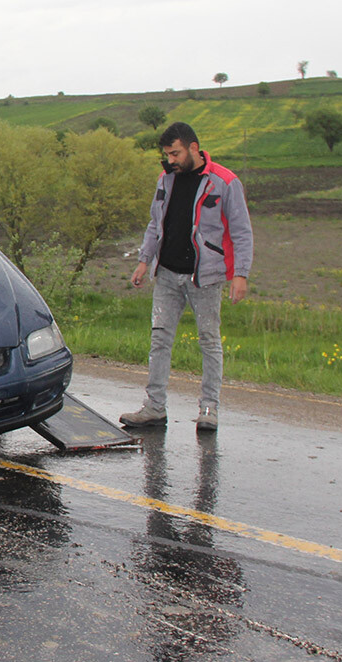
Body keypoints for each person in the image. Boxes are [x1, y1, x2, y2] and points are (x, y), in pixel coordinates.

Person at [120, 122, 253, 432]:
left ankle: (209, 409)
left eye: (175, 153)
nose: (171, 160)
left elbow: (241, 233)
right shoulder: (166, 179)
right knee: (159, 339)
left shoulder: (224, 182)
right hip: (166, 274)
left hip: (204, 277)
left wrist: (240, 275)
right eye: (167, 154)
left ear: (194, 148)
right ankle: (154, 408)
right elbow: (155, 224)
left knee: (209, 340)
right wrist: (144, 261)